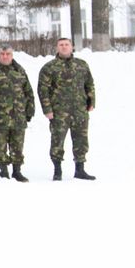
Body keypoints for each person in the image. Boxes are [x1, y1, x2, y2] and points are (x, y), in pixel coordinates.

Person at [37, 36, 97, 180]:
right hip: (59, 112)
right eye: (61, 45)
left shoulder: (82, 65)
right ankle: (57, 170)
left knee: (81, 140)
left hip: (80, 110)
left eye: (66, 44)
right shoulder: (49, 67)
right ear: (57, 48)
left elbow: (89, 84)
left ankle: (80, 169)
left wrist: (91, 102)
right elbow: (42, 90)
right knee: (57, 141)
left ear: (72, 47)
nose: (64, 47)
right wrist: (47, 110)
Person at [0, 45, 34, 181]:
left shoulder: (19, 70)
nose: (5, 56)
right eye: (2, 54)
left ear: (12, 55)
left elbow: (28, 91)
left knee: (17, 145)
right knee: (0, 146)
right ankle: (4, 171)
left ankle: (17, 171)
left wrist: (29, 110)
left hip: (18, 116)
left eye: (8, 54)